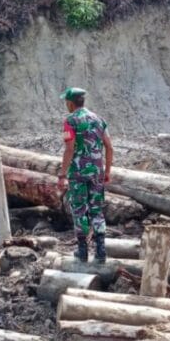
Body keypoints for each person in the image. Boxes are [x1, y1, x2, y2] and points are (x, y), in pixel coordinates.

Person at [57, 87, 113, 264]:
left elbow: (69, 149)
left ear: (70, 103)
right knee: (96, 209)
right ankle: (101, 250)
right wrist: (107, 171)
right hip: (97, 171)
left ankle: (82, 251)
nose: (66, 105)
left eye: (66, 102)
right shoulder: (98, 119)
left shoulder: (69, 121)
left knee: (80, 209)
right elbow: (109, 147)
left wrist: (62, 174)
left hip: (78, 173)